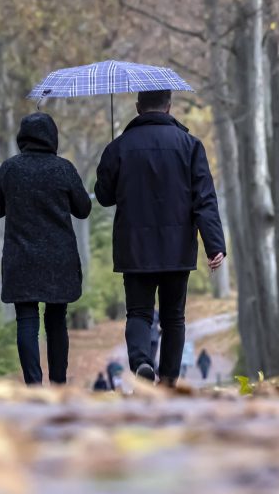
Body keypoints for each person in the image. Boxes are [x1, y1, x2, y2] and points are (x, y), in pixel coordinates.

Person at [95, 89, 226, 385]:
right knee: (173, 318)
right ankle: (168, 381)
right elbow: (204, 199)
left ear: (139, 107)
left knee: (139, 312)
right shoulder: (190, 145)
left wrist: (111, 161)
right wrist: (214, 244)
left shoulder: (120, 147)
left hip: (134, 246)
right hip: (177, 247)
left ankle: (142, 362)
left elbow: (103, 196)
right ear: (169, 107)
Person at [0, 112, 92, 385]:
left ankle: (33, 385)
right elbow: (84, 209)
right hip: (59, 258)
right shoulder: (63, 168)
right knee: (57, 319)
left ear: (23, 137)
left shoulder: (10, 168)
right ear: (52, 137)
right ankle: (58, 385)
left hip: (21, 256)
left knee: (26, 319)